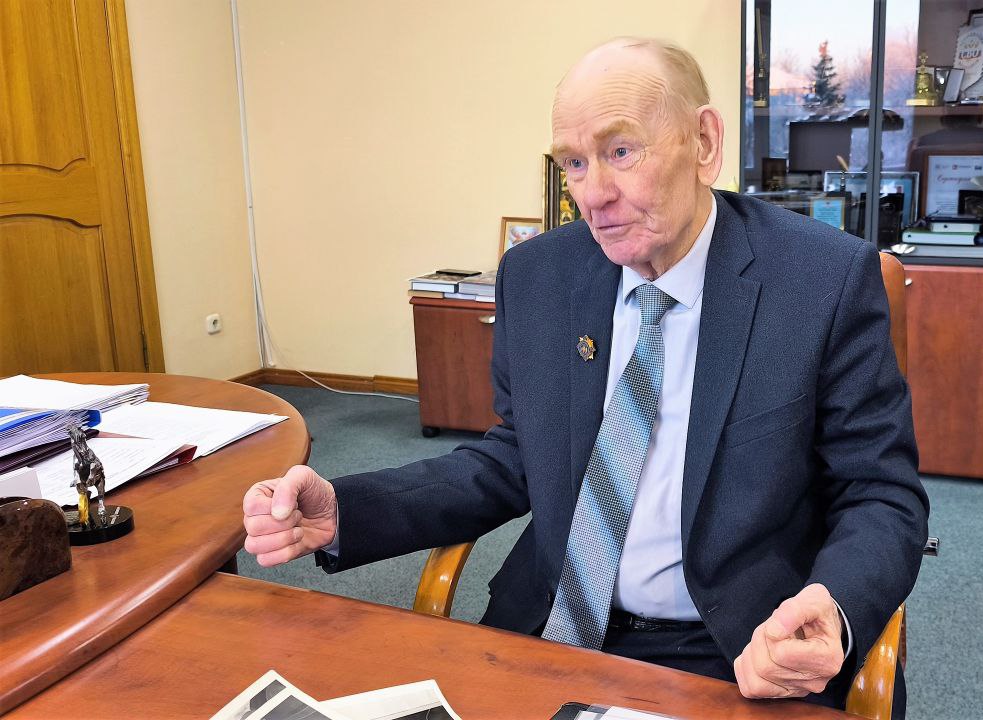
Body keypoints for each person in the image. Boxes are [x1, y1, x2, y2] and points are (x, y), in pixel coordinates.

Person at [242, 37, 929, 710]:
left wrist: (832, 608)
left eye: (621, 152)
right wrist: (347, 510)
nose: (592, 195)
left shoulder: (821, 281)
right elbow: (515, 457)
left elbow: (880, 493)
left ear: (705, 143)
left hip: (736, 647)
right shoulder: (539, 276)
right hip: (554, 624)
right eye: (573, 163)